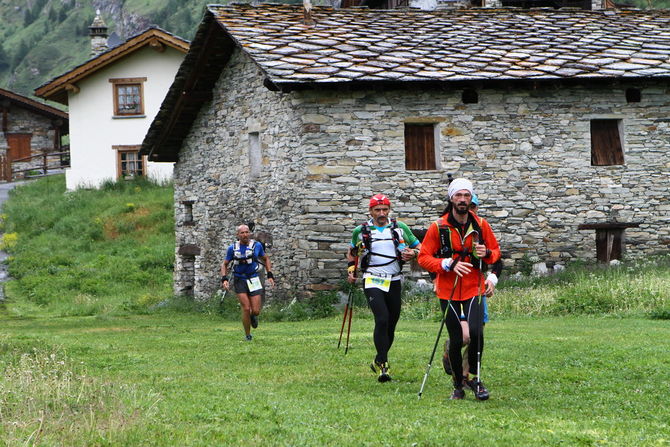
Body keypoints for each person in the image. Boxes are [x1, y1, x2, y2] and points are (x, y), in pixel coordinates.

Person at [418, 179, 501, 400]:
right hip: (448, 289)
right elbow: (423, 257)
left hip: (474, 287)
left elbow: (495, 253)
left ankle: (474, 378)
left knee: (476, 333)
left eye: (466, 196)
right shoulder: (438, 227)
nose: (463, 200)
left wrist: (486, 254)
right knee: (456, 339)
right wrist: (446, 263)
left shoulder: (481, 225)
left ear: (470, 198)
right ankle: (457, 384)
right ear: (451, 198)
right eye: (459, 196)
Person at [347, 194, 421, 382]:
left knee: (392, 323)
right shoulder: (361, 230)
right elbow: (352, 252)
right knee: (382, 318)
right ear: (370, 211)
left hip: (394, 279)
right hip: (372, 279)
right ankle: (384, 366)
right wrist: (351, 270)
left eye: (385, 209)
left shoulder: (400, 228)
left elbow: (420, 247)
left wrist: (413, 254)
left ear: (389, 210)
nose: (381, 213)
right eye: (377, 210)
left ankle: (379, 357)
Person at [441, 192, 503, 377]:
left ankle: (467, 375)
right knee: (464, 336)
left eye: (474, 206)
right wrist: (435, 280)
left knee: (477, 334)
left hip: (476, 289)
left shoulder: (481, 229)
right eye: (470, 206)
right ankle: (452, 353)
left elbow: (497, 260)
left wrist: (491, 280)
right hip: (452, 289)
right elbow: (434, 257)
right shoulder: (445, 229)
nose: (471, 210)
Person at [221, 224, 275, 341]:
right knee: (246, 308)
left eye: (247, 232)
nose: (245, 235)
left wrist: (269, 274)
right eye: (242, 233)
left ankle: (253, 316)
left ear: (250, 233)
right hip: (239, 279)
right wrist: (224, 278)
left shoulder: (257, 246)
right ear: (238, 235)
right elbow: (225, 264)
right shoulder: (232, 248)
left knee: (255, 310)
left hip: (254, 278)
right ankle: (248, 335)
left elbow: (266, 259)